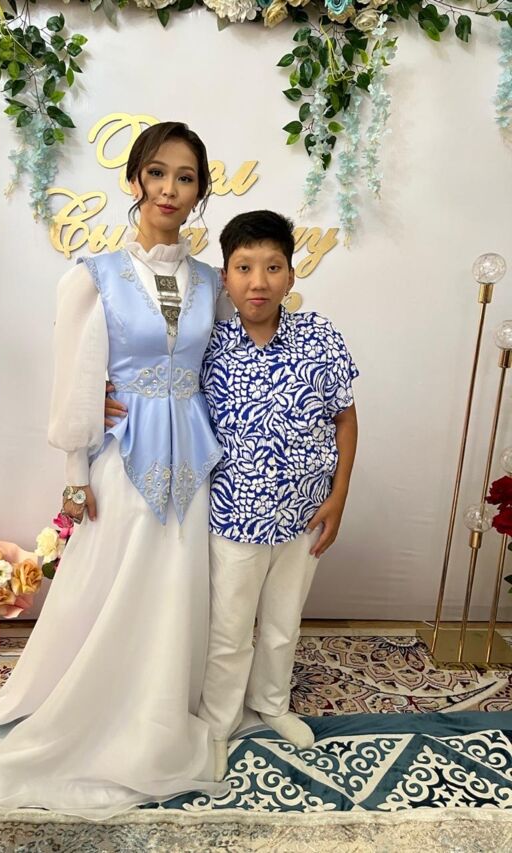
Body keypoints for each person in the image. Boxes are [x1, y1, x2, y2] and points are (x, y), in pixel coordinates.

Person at [0, 121, 230, 818]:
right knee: (109, 580)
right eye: (158, 173)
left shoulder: (213, 282)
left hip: (193, 458)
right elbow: (78, 379)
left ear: (200, 191)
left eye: (186, 177)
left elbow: (224, 367)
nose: (170, 189)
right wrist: (76, 470)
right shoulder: (95, 276)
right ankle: (94, 706)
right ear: (135, 179)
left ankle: (161, 708)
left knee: (175, 584)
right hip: (122, 456)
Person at [197, 210, 359, 780]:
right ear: (225, 277)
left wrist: (338, 496)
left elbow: (345, 417)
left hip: (305, 515)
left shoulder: (320, 336)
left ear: (291, 274)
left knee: (283, 622)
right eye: (244, 268)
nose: (258, 281)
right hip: (233, 517)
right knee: (228, 631)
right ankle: (218, 723)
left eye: (272, 267)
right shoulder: (208, 344)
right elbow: (159, 389)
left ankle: (271, 703)